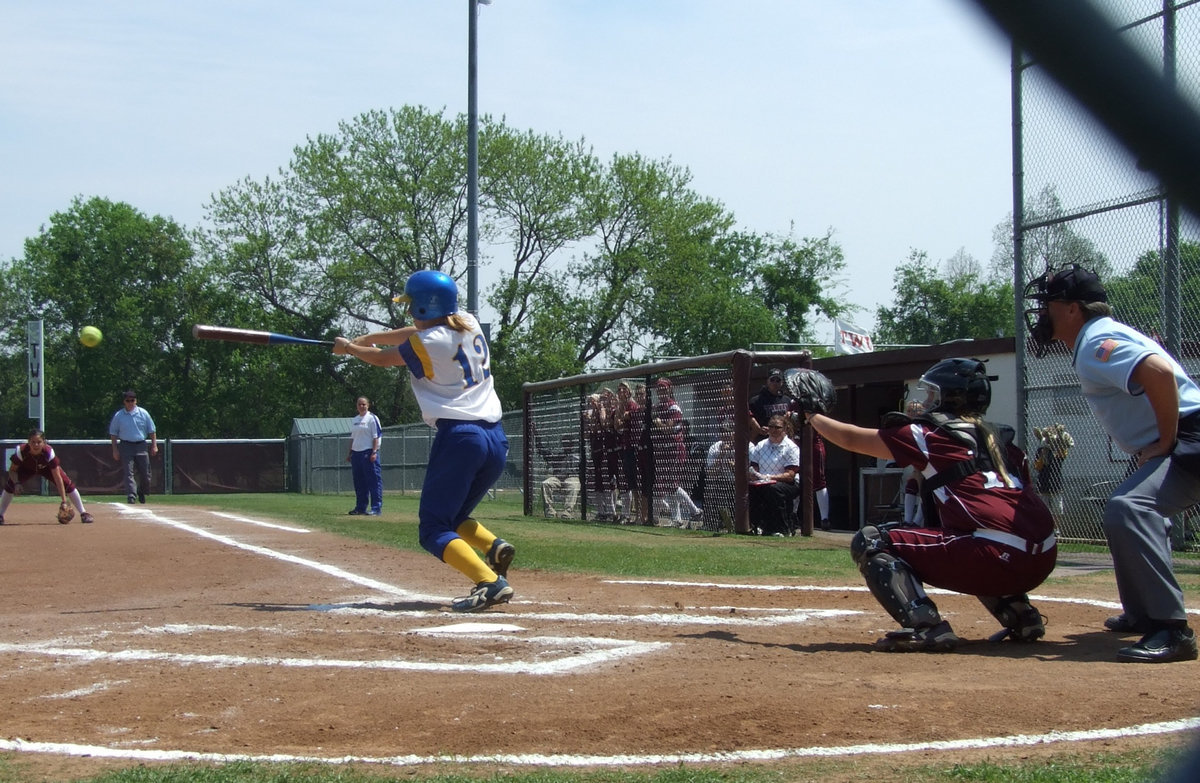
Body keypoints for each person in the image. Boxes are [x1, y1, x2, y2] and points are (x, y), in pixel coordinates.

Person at [806, 358, 1057, 652]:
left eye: (932, 395)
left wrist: (812, 415)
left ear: (950, 398)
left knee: (872, 541)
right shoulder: (1005, 442)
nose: (926, 402)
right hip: (1043, 558)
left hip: (996, 557)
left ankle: (927, 627)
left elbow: (850, 437)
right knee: (972, 532)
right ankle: (1020, 615)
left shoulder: (932, 435)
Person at [1025, 263, 1200, 663]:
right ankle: (1143, 612)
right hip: (1187, 435)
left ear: (1073, 310)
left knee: (1130, 507)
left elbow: (1158, 373)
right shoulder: (1095, 338)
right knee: (1124, 508)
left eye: (1049, 304)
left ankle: (1172, 630)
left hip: (1192, 436)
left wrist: (1167, 440)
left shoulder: (1095, 341)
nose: (1042, 315)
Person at [333, 269, 515, 613]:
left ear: (422, 308)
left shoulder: (429, 343)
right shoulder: (466, 321)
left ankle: (489, 581)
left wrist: (352, 349)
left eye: (411, 305)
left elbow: (386, 360)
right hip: (495, 439)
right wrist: (370, 337)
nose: (408, 312)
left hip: (461, 437)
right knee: (456, 514)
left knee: (432, 527)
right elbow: (408, 335)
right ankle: (493, 547)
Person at [0, 430, 95, 525]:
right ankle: (0, 515)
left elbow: (58, 478)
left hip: (46, 468)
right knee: (10, 485)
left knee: (67, 483)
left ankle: (84, 513)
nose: (36, 445)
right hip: (26, 468)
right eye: (33, 442)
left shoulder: (48, 453)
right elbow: (12, 470)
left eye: (39, 442)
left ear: (44, 442)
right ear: (28, 442)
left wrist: (64, 501)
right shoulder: (21, 451)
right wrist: (17, 483)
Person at [747, 414, 801, 536]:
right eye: (771, 427)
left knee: (773, 490)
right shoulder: (761, 445)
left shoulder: (791, 447)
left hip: (787, 483)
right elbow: (754, 467)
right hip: (763, 481)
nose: (774, 430)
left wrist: (769, 477)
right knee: (751, 489)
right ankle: (756, 526)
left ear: (785, 429)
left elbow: (790, 475)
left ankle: (781, 529)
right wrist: (753, 475)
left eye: (777, 427)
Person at [109, 389, 157, 504]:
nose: (130, 403)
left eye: (132, 400)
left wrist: (154, 445)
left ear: (136, 401)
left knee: (145, 473)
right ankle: (131, 495)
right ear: (124, 402)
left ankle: (141, 491)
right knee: (128, 472)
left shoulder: (143, 413)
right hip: (126, 445)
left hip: (141, 444)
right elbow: (113, 433)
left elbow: (152, 430)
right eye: (128, 400)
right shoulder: (119, 415)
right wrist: (115, 450)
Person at [346, 396, 383, 516]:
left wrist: (374, 451)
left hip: (368, 452)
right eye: (359, 404)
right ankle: (360, 507)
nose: (361, 406)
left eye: (364, 404)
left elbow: (376, 436)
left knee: (373, 481)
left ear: (368, 405)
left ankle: (376, 508)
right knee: (359, 482)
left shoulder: (372, 418)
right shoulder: (355, 419)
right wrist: (350, 452)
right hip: (356, 453)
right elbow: (353, 438)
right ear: (356, 406)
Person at [536, 432, 581, 518]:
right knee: (546, 483)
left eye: (568, 443)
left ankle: (568, 512)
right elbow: (542, 451)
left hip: (572, 477)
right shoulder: (559, 455)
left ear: (572, 444)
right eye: (564, 443)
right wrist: (537, 435)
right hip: (558, 478)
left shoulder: (578, 456)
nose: (566, 445)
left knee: (574, 485)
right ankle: (550, 511)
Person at [749, 371, 790, 440]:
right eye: (772, 380)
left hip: (783, 438)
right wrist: (758, 429)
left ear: (782, 383)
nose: (775, 383)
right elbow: (749, 417)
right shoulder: (756, 400)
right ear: (767, 381)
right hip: (763, 439)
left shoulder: (787, 400)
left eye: (778, 380)